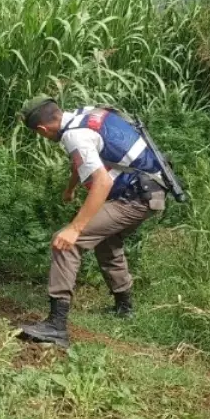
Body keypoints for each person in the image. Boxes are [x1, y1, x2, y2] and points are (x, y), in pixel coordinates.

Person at [17, 97, 168, 348]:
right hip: (148, 189)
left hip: (135, 198)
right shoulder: (85, 114)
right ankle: (124, 308)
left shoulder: (73, 136)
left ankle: (56, 326)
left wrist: (74, 229)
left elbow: (102, 182)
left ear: (42, 130)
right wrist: (71, 187)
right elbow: (86, 157)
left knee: (65, 243)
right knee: (105, 239)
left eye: (40, 135)